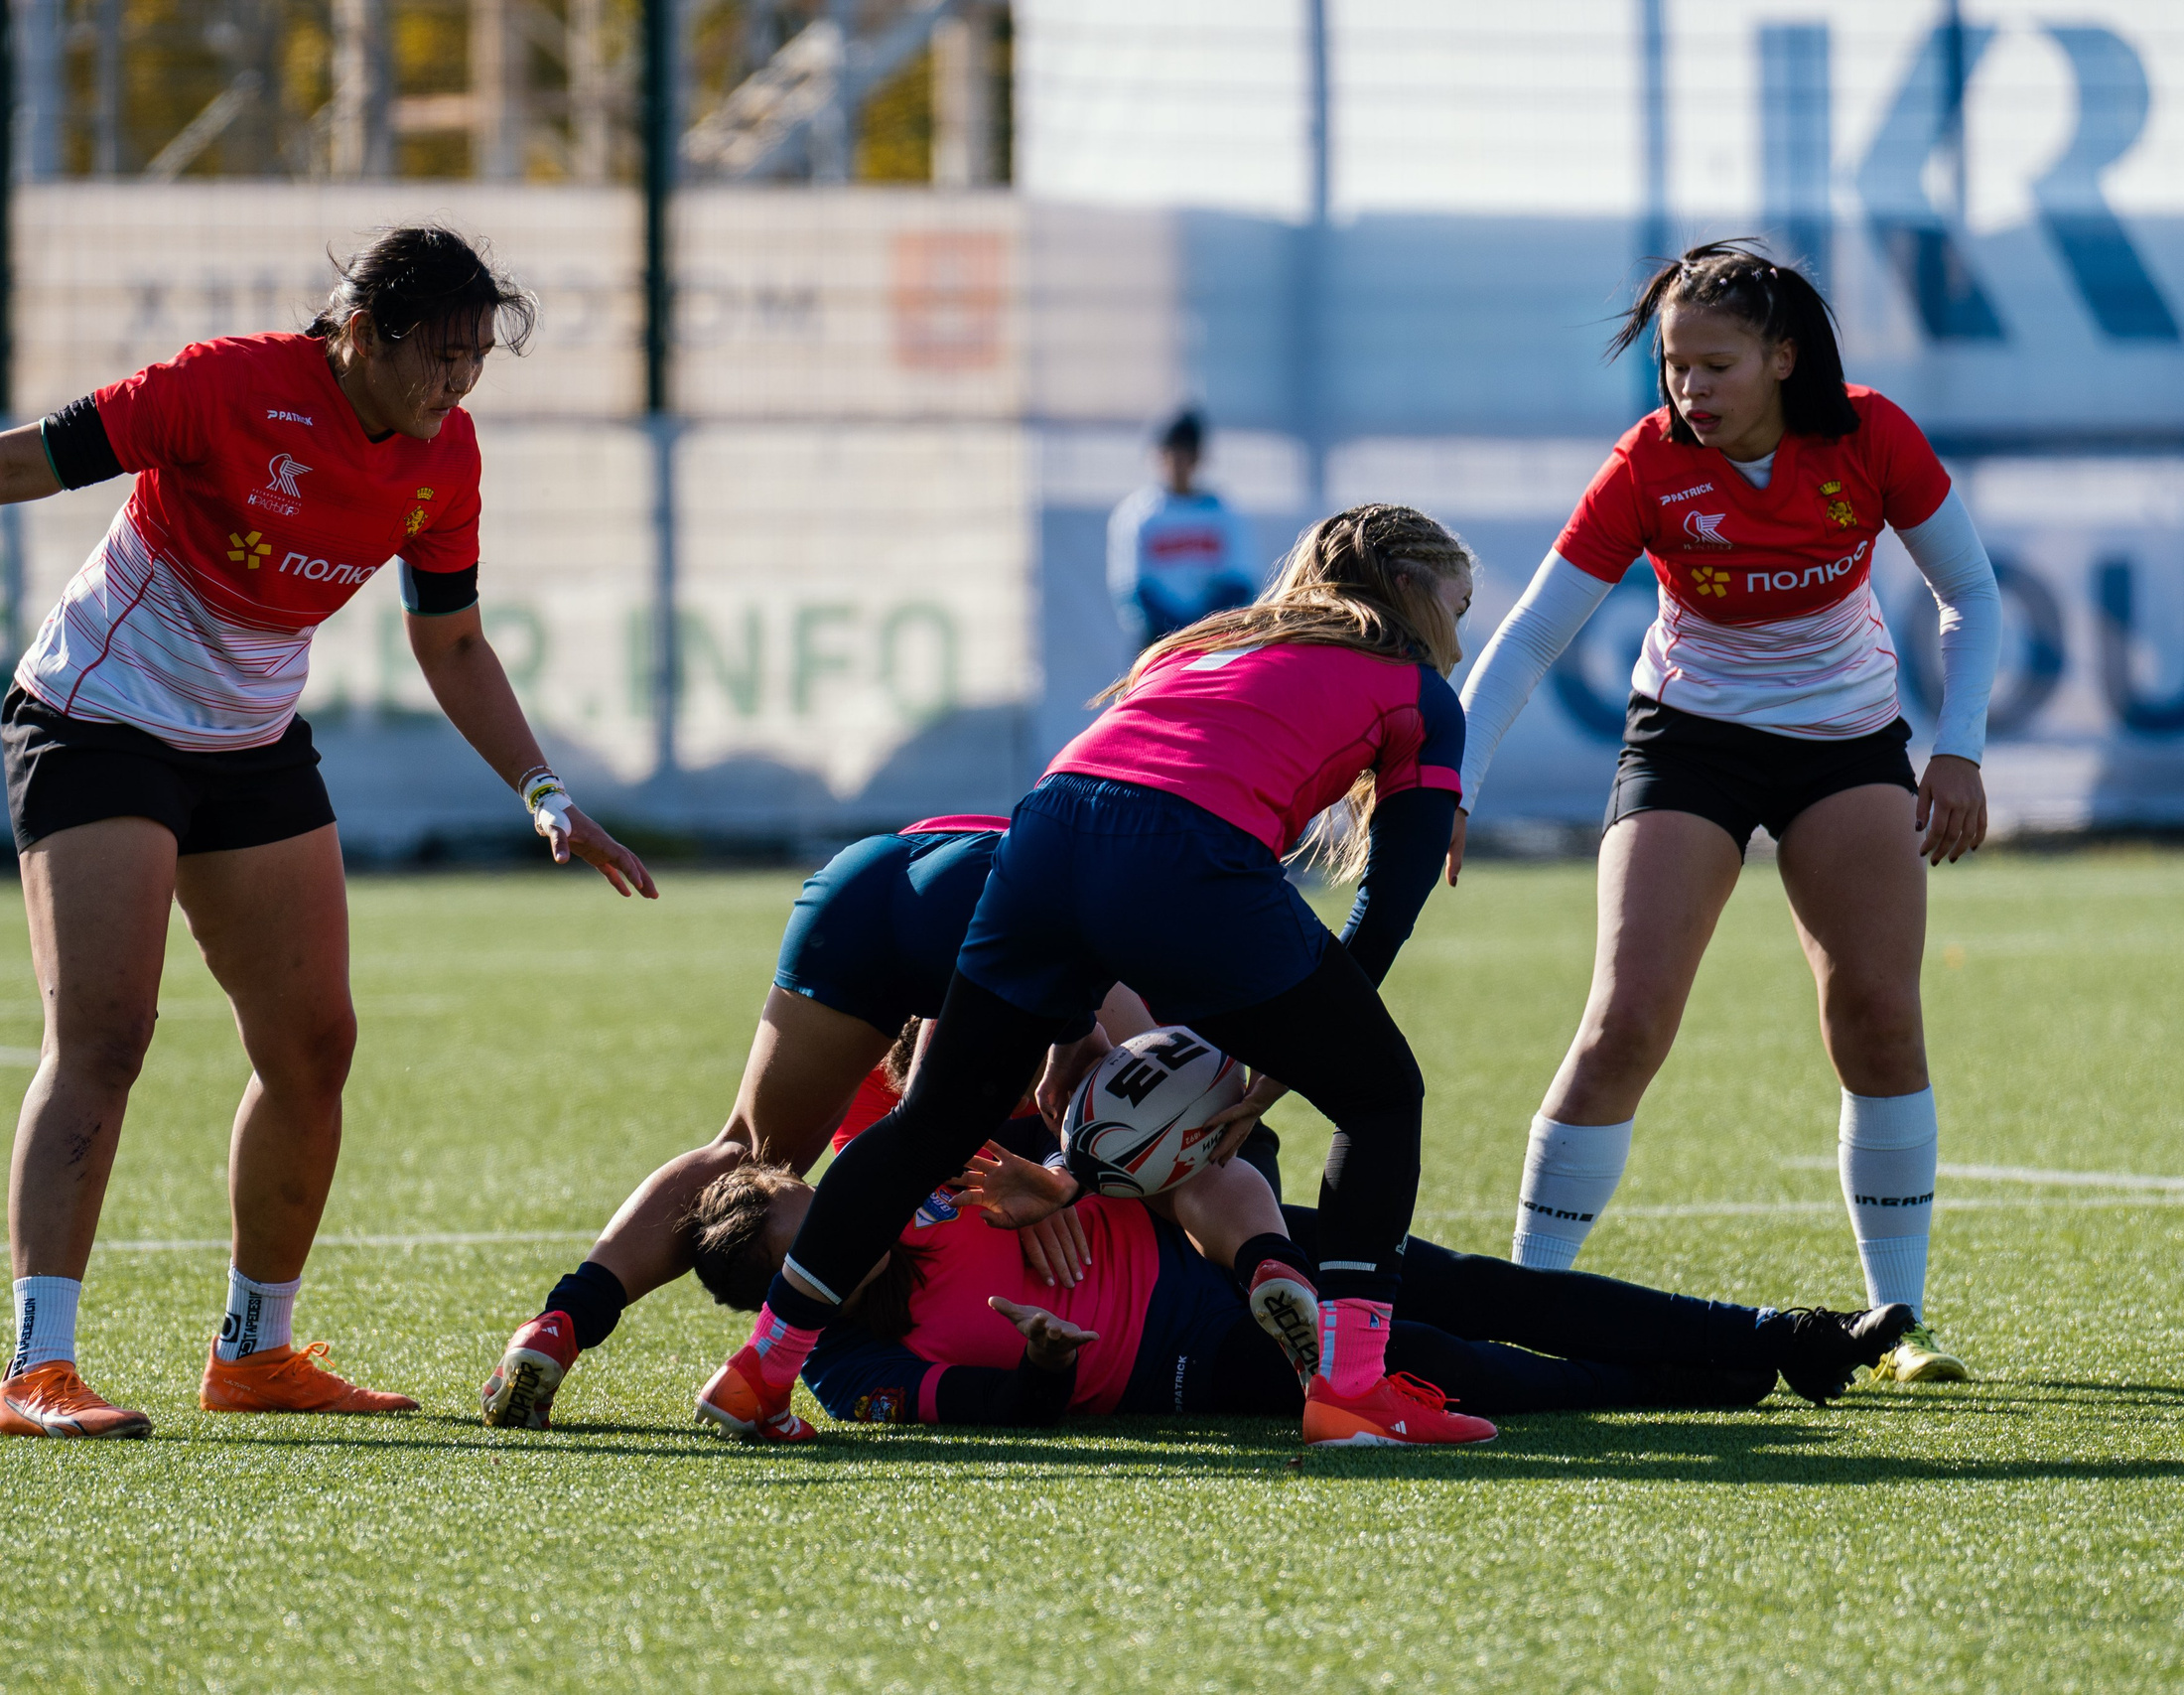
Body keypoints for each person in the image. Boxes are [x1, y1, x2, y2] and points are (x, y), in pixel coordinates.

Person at [0, 225, 657, 1440]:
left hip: (247, 743)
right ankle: (37, 1371)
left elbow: (450, 642)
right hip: (99, 718)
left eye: (476, 362)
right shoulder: (225, 387)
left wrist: (545, 792)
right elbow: (21, 465)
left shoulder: (443, 457)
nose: (458, 384)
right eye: (441, 356)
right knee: (106, 1035)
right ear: (362, 332)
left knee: (314, 1045)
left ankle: (254, 1350)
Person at [695, 502, 1492, 1451]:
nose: (1462, 626)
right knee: (1382, 1095)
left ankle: (762, 1369)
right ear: (1410, 592)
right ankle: (1351, 1389)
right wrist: (1311, 1054)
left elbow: (1123, 796)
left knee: (931, 1124)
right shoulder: (1417, 691)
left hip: (1045, 827)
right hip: (1178, 850)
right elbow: (1387, 908)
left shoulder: (1209, 642)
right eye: (1460, 602)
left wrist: (1071, 1017)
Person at [1449, 241, 1998, 1384]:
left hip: (1846, 747)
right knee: (1623, 1025)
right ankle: (1529, 1311)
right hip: (1686, 744)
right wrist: (1441, 785)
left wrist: (1958, 753)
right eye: (1672, 367)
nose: (1686, 391)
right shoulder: (1646, 463)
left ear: (1781, 359)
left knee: (1881, 1023)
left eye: (1713, 366)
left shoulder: (1869, 433)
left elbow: (1971, 593)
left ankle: (1898, 1323)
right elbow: (1530, 637)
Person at [480, 813, 1246, 1428]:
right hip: (980, 887)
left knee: (745, 1146)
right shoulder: (1136, 938)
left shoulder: (869, 1163)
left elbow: (937, 1105)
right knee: (1187, 1114)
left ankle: (562, 1323)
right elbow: (1060, 1090)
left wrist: (1041, 1169)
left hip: (853, 891)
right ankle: (757, 1368)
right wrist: (1057, 1173)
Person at [680, 1120, 1912, 1430]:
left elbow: (1077, 1123)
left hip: (1220, 1242)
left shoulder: (909, 1169)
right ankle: (1706, 1386)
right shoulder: (849, 1371)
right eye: (816, 1252)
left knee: (1483, 1289)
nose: (844, 1228)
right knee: (1478, 1375)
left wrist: (1061, 1176)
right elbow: (990, 1409)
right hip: (1191, 1359)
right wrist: (1049, 1367)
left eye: (821, 1207)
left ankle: (1781, 1334)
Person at [1107, 409, 1263, 647]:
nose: (1177, 462)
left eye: (1185, 453)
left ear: (1199, 457)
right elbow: (1133, 590)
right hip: (1157, 640)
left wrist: (1201, 627)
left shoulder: (1224, 514)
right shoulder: (1138, 514)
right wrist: (1176, 629)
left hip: (1213, 638)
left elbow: (1239, 583)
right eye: (1171, 452)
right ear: (1157, 455)